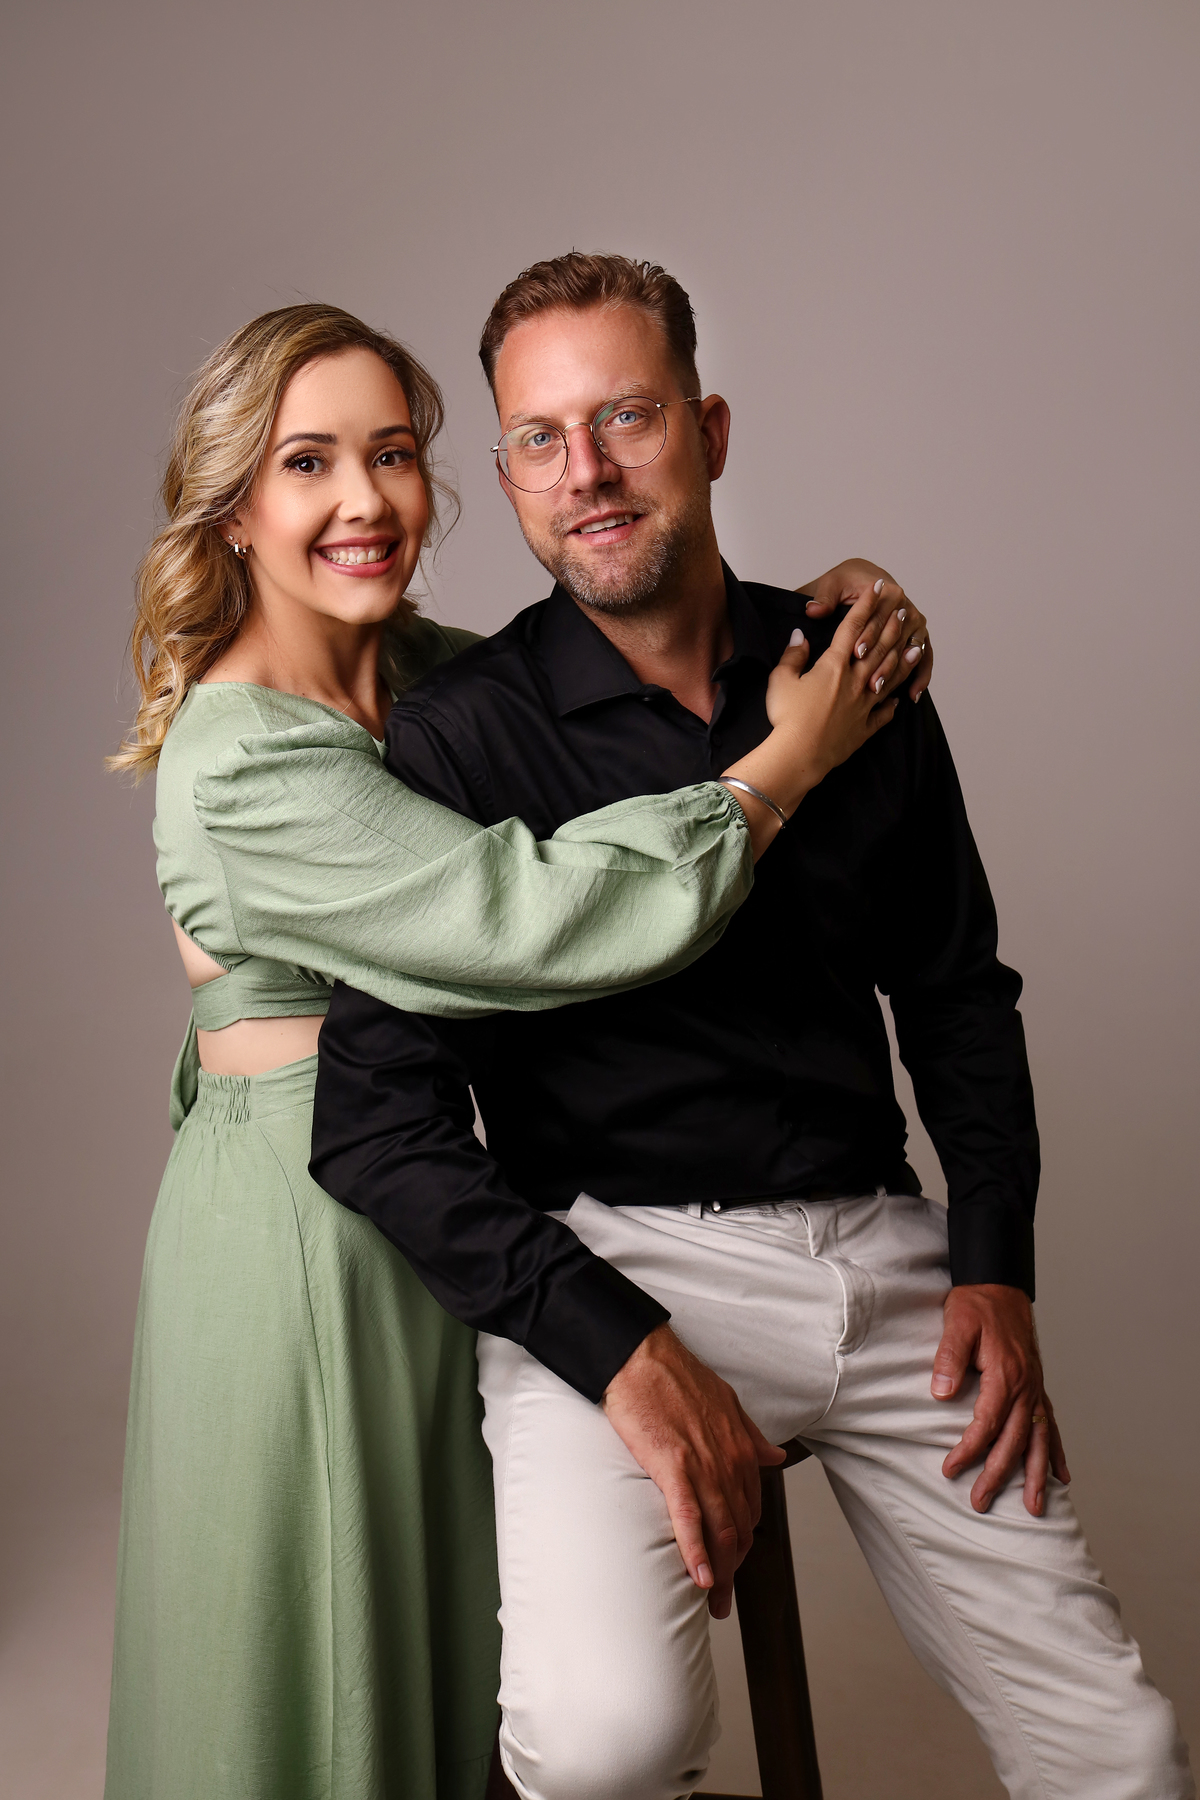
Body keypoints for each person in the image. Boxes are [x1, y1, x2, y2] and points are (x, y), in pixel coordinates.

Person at [310, 254, 1194, 1800]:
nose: (586, 471)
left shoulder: (855, 667)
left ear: (709, 431)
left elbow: (957, 990)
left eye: (628, 416)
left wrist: (993, 1256)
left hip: (887, 1257)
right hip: (613, 1262)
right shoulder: (459, 738)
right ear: (507, 479)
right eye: (540, 438)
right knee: (607, 1749)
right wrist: (617, 1348)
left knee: (1123, 1756)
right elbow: (376, 1124)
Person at [104, 298, 924, 1800]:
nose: (365, 500)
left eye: (392, 453)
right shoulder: (240, 754)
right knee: (338, 1655)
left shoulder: (426, 671)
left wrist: (820, 611)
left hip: (463, 1215)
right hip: (306, 1240)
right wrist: (791, 760)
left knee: (499, 1660)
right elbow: (529, 913)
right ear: (231, 507)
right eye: (306, 463)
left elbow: (635, 679)